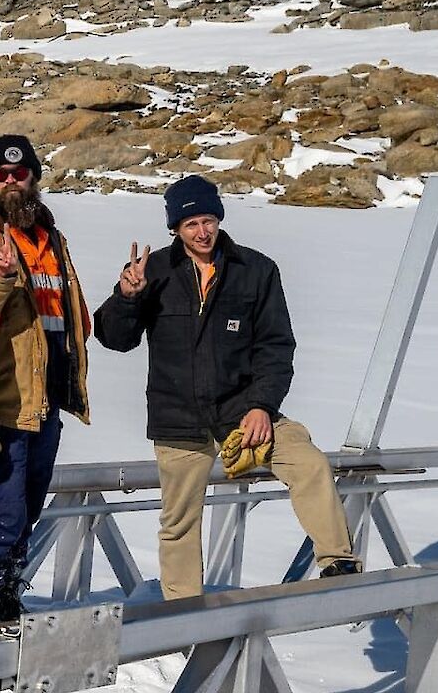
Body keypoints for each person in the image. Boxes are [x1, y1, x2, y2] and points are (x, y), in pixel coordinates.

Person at [92, 174, 360, 600]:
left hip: (243, 411)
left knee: (307, 462)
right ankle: (183, 614)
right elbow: (114, 338)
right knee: (178, 522)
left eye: (208, 220)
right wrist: (127, 296)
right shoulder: (154, 271)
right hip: (178, 417)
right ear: (175, 229)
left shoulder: (255, 270)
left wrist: (261, 405)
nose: (202, 232)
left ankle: (339, 563)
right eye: (190, 224)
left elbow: (276, 347)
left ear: (219, 219)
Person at [0, 135, 93, 625]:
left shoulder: (51, 237)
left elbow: (70, 314)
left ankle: (8, 588)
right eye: (0, 175)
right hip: (3, 392)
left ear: (34, 176)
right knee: (5, 502)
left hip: (48, 392)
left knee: (30, 499)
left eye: (20, 173)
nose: (11, 182)